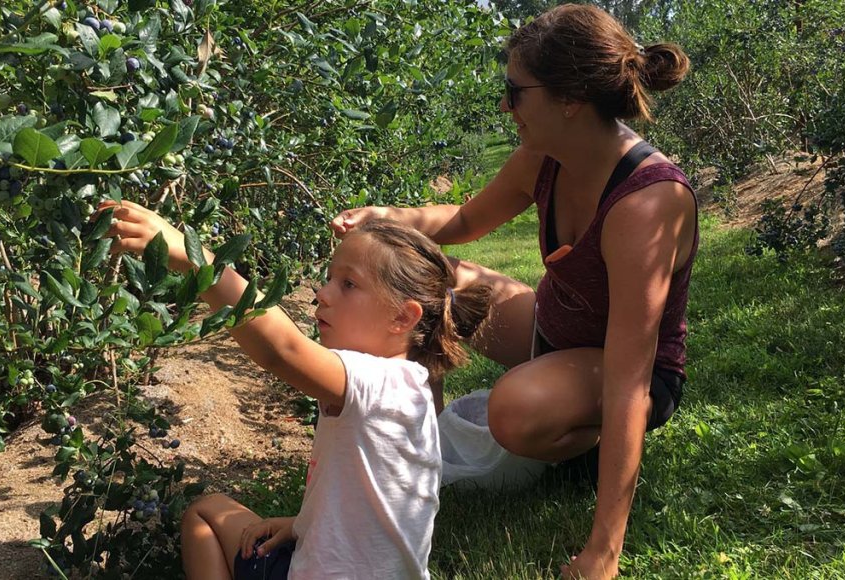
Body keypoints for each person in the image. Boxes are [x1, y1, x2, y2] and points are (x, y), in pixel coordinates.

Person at [330, 4, 696, 578]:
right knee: (434, 280)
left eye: (515, 90)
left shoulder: (646, 204)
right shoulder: (542, 158)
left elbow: (629, 375)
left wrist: (605, 550)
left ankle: (581, 448)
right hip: (551, 330)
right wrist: (386, 215)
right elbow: (463, 223)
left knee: (515, 410)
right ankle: (413, 457)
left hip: (637, 374)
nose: (505, 106)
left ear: (569, 99)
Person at [99, 200, 491, 579]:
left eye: (348, 284)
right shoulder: (411, 385)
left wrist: (193, 257)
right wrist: (303, 523)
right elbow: (380, 502)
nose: (323, 293)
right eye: (330, 278)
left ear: (402, 317)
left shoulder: (377, 382)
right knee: (214, 512)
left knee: (203, 515)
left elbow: (282, 349)